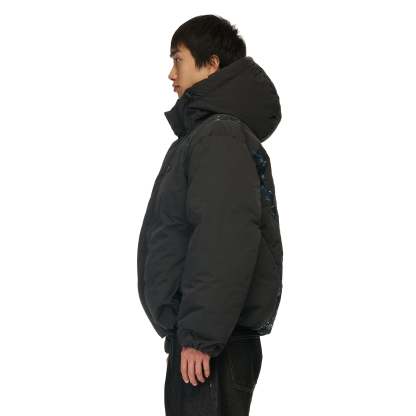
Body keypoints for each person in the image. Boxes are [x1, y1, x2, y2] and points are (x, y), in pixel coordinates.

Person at [137, 14, 284, 416]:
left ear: (212, 64)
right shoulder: (206, 136)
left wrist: (200, 336)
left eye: (178, 59)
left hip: (211, 346)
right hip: (205, 339)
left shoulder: (219, 136)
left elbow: (224, 238)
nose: (171, 73)